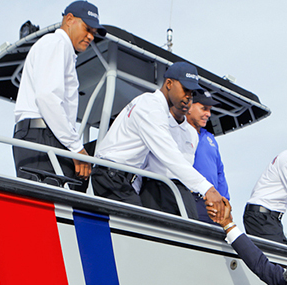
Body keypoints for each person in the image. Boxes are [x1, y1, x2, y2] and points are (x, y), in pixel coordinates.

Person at [92, 62, 225, 216]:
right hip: (112, 176)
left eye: (192, 93)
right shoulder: (152, 109)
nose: (188, 96)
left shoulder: (150, 103)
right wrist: (207, 188)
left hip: (120, 177)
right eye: (185, 89)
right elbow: (169, 154)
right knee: (140, 229)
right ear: (169, 83)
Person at [12, 1, 106, 190]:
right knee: (44, 209)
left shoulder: (60, 48)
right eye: (87, 29)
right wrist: (76, 149)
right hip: (41, 136)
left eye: (93, 34)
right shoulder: (56, 43)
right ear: (69, 19)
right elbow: (47, 97)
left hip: (44, 135)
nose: (90, 37)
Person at [137, 90, 203, 219]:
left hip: (182, 189)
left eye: (190, 99)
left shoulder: (192, 133)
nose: (186, 103)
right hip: (155, 186)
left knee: (190, 232)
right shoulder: (159, 121)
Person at [186, 90, 229, 224]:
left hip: (214, 205)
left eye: (210, 110)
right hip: (191, 199)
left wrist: (225, 200)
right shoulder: (180, 132)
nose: (208, 114)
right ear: (189, 107)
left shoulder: (210, 137)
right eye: (204, 109)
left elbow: (219, 171)